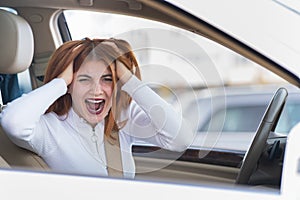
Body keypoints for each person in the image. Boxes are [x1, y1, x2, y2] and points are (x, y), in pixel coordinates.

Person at [0, 38, 193, 178]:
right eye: (84, 79)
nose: (96, 90)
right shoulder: (50, 129)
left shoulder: (123, 119)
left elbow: (180, 138)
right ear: (69, 86)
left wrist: (129, 81)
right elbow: (13, 123)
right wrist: (60, 82)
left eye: (107, 79)